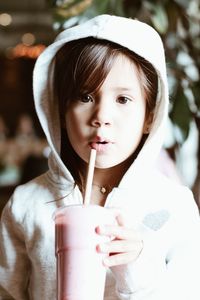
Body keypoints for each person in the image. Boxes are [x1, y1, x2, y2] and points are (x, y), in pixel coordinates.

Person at [0, 14, 200, 300]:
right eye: (84, 97)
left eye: (123, 99)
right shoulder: (26, 205)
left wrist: (138, 270)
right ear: (60, 110)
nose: (102, 117)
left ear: (149, 117)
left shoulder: (174, 205)